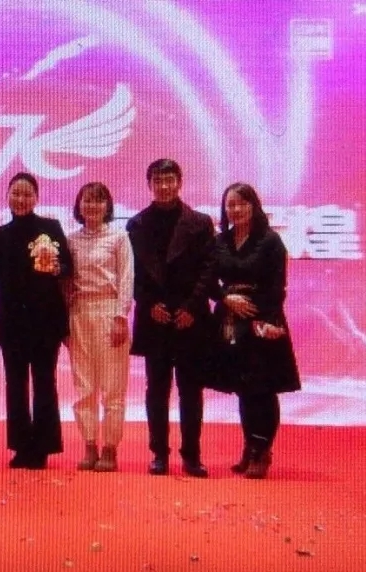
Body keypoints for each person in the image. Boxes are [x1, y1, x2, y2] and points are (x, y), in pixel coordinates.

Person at [126, 159, 215, 478]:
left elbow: (209, 269)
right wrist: (149, 304)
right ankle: (159, 454)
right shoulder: (136, 224)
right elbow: (131, 273)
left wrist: (192, 307)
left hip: (191, 318)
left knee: (191, 389)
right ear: (149, 184)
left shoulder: (200, 222)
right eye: (157, 181)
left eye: (169, 180)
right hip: (156, 318)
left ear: (180, 182)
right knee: (156, 389)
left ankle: (192, 455)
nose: (164, 186)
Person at [210, 182, 300, 479]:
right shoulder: (220, 241)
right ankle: (250, 447)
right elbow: (208, 280)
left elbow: (277, 286)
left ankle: (262, 450)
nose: (236, 210)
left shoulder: (270, 240)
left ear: (254, 206)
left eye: (242, 204)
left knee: (263, 387)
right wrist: (225, 298)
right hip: (230, 321)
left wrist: (269, 320)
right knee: (243, 387)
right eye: (231, 205)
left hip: (262, 319)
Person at [0, 172, 72, 470]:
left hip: (45, 321)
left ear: (36, 198)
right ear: (7, 196)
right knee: (15, 385)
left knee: (44, 382)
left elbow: (67, 266)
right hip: (12, 323)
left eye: (27, 194)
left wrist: (56, 267)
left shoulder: (50, 228)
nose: (21, 199)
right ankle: (20, 446)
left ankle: (43, 447)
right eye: (16, 193)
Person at [66, 182, 134, 472]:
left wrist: (121, 317)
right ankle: (90, 445)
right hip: (79, 313)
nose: (92, 206)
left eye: (98, 200)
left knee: (113, 386)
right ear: (79, 206)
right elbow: (65, 282)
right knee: (83, 386)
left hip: (109, 311)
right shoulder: (70, 240)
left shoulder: (119, 237)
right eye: (87, 200)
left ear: (107, 206)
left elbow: (126, 279)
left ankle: (110, 448)